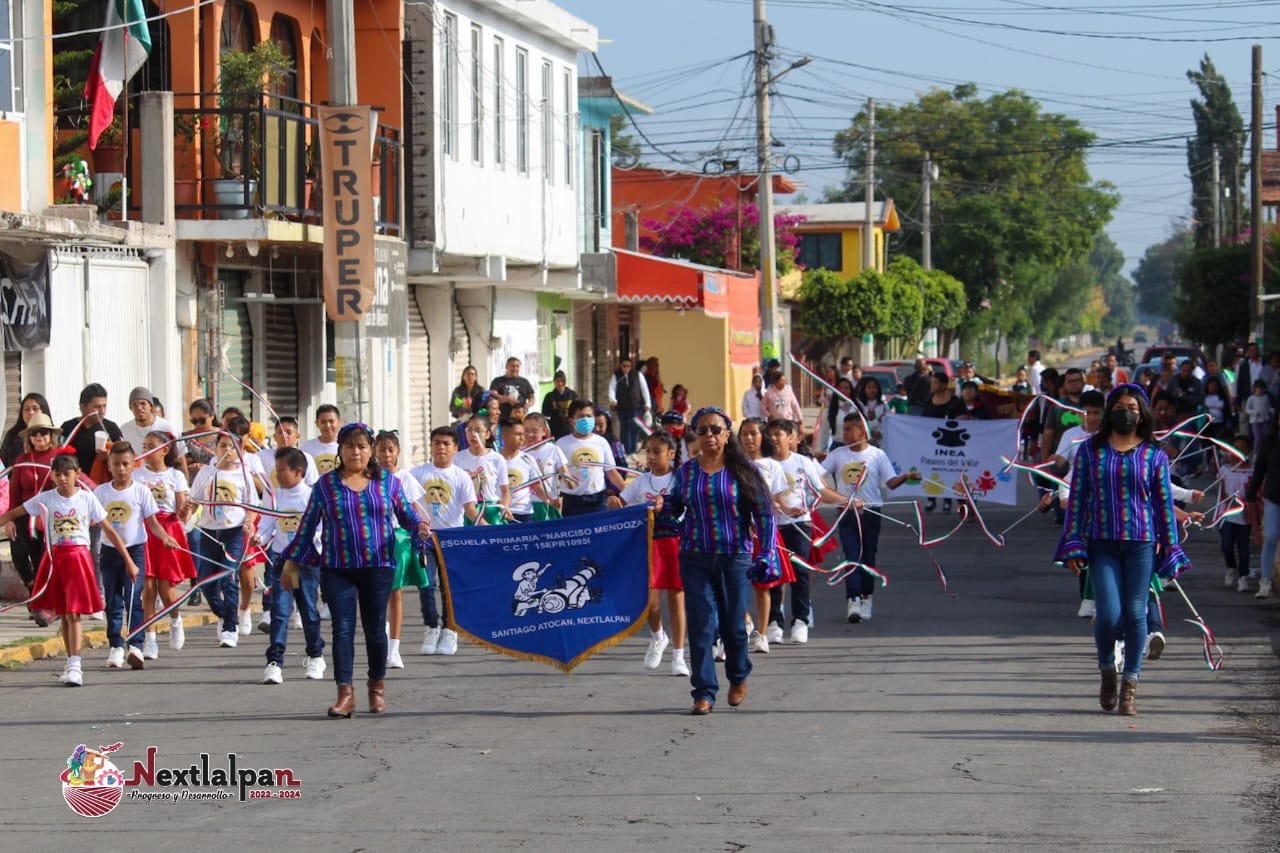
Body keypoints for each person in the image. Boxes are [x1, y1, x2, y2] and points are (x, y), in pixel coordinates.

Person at [1057, 385, 1189, 716]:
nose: (1125, 411)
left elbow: (1163, 505)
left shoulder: (1154, 455)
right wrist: (1073, 543)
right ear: (1107, 412)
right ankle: (1106, 670)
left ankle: (1130, 685)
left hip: (1141, 544)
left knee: (1135, 612)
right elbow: (1078, 501)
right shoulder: (1089, 452)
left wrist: (1171, 548)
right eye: (1119, 406)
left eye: (1132, 406)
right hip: (1101, 544)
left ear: (1142, 413)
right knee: (1109, 614)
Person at [283, 422, 431, 717]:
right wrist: (291, 563)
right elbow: (307, 525)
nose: (356, 451)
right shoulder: (326, 486)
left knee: (376, 630)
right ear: (339, 450)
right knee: (343, 630)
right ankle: (345, 693)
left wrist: (421, 528)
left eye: (362, 446)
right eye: (349, 446)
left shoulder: (387, 482)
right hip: (337, 568)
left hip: (379, 567)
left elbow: (407, 514)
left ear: (371, 449)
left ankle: (376, 687)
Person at [657, 407, 779, 715]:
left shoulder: (745, 471)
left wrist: (765, 552)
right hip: (694, 556)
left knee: (734, 625)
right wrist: (664, 511)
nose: (708, 435)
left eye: (715, 429)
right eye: (702, 430)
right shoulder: (686, 472)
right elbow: (673, 505)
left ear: (727, 435)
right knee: (701, 625)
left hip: (734, 556)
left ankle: (738, 676)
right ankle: (704, 692)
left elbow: (765, 514)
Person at [0, 451, 139, 686]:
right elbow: (15, 512)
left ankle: (76, 665)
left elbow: (109, 531)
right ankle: (70, 661)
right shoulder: (46, 498)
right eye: (58, 474)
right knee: (64, 614)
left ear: (77, 474)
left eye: (68, 474)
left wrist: (129, 560)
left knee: (74, 613)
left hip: (78, 559)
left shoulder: (86, 499)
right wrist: (7, 520)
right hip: (55, 560)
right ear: (52, 475)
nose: (63, 479)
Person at [609, 431, 687, 676]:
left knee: (676, 597)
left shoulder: (680, 480)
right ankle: (658, 636)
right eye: (648, 451)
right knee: (650, 600)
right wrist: (614, 501)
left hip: (674, 542)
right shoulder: (642, 481)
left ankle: (678, 656)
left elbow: (688, 508)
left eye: (657, 451)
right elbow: (623, 503)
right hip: (648, 544)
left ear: (671, 454)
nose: (651, 456)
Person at [95, 441, 178, 669]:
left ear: (134, 465)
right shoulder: (100, 492)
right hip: (109, 553)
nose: (121, 469)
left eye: (125, 464)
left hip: (136, 550)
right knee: (112, 599)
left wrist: (165, 538)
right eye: (116, 464)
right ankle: (116, 646)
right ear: (109, 466)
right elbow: (90, 522)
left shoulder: (141, 490)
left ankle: (136, 645)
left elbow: (152, 522)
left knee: (134, 597)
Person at [766, 417, 846, 644]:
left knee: (800, 572)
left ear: (790, 438)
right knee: (773, 573)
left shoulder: (803, 462)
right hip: (772, 526)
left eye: (778, 435)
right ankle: (774, 621)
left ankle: (800, 620)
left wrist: (847, 500)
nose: (773, 439)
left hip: (800, 524)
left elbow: (822, 491)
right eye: (770, 435)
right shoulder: (764, 464)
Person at [822, 413, 908, 623]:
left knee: (868, 557)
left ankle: (867, 597)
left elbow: (890, 483)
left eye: (850, 428)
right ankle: (853, 600)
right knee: (852, 557)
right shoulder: (838, 454)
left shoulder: (877, 455)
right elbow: (817, 476)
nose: (846, 433)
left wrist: (905, 477)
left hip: (871, 513)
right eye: (844, 429)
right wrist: (837, 497)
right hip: (847, 513)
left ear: (863, 431)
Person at [256, 446, 327, 685]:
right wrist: (259, 537)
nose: (278, 474)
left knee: (308, 609)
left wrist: (306, 547)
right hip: (281, 562)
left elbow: (320, 529)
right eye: (276, 470)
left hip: (306, 563)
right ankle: (274, 662)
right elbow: (267, 523)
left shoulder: (312, 496)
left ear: (298, 472)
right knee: (280, 611)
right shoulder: (274, 496)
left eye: (282, 470)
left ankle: (315, 654)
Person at [184, 432, 260, 648]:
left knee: (228, 576)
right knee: (205, 581)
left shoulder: (244, 475)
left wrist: (249, 522)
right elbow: (195, 501)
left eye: (232, 446)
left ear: (240, 451)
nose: (228, 450)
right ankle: (224, 613)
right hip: (209, 533)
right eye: (223, 445)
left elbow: (252, 507)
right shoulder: (206, 473)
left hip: (234, 533)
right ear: (215, 449)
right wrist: (189, 509)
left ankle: (230, 628)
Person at [409, 427, 481, 656]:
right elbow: (411, 505)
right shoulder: (417, 474)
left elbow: (470, 509)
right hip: (425, 539)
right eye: (437, 443)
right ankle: (431, 627)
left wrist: (486, 527)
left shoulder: (461, 476)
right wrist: (419, 524)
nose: (441, 447)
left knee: (448, 588)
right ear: (431, 446)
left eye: (446, 443)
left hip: (453, 540)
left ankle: (450, 630)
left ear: (455, 448)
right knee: (426, 584)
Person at [372, 431, 430, 670]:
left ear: (397, 452)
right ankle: (382, 629)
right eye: (381, 449)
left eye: (390, 450)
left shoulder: (405, 478)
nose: (386, 455)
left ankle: (394, 648)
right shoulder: (370, 478)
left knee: (395, 592)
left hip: (400, 540)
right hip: (375, 540)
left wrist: (423, 527)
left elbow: (415, 509)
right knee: (376, 594)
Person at [134, 431, 196, 653]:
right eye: (144, 446)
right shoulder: (137, 475)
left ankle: (175, 620)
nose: (146, 451)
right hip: (145, 532)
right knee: (147, 589)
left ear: (164, 450)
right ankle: (150, 639)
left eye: (151, 446)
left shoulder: (176, 476)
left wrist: (186, 510)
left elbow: (182, 515)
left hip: (168, 531)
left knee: (166, 589)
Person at [737, 417, 791, 653]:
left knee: (763, 584)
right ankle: (746, 620)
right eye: (744, 434)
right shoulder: (733, 464)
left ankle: (762, 633)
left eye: (754, 434)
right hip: (738, 530)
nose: (749, 438)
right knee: (735, 581)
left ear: (762, 437)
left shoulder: (773, 466)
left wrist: (787, 509)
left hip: (764, 531)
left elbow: (777, 499)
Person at [8, 413, 60, 620]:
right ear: (29, 437)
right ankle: (38, 598)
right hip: (25, 518)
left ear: (51, 435)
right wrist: (10, 519)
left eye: (44, 433)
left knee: (47, 560)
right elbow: (14, 493)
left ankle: (50, 604)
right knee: (26, 557)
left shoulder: (58, 457)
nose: (39, 437)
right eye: (35, 433)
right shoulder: (22, 460)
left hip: (51, 518)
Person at [556, 400, 623, 516]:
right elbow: (555, 474)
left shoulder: (602, 442)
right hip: (571, 501)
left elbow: (611, 472)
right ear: (572, 421)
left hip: (597, 500)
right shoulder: (561, 444)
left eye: (589, 416)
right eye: (581, 416)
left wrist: (628, 491)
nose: (586, 419)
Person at [59, 383, 124, 484]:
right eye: (97, 407)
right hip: (75, 485)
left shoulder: (111, 428)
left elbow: (125, 456)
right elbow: (59, 457)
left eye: (104, 406)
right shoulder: (69, 428)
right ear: (83, 407)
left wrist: (109, 456)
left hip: (104, 485)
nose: (102, 411)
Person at [455, 417, 513, 524]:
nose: (473, 434)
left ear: (487, 434)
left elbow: (505, 491)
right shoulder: (457, 459)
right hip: (467, 510)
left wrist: (505, 506)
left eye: (478, 430)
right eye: (469, 430)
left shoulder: (497, 459)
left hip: (491, 510)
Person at [120, 387, 186, 476]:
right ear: (130, 408)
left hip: (163, 481)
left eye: (143, 403)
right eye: (134, 405)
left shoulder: (167, 427)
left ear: (151, 406)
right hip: (136, 481)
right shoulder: (124, 429)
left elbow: (180, 460)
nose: (139, 408)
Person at [1220, 434, 1254, 594]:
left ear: (1249, 451)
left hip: (1245, 514)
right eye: (1235, 449)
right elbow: (1221, 492)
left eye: (1243, 449)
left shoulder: (1252, 471)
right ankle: (1231, 567)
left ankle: (1243, 577)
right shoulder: (1225, 470)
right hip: (1228, 513)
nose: (1238, 452)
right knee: (1226, 544)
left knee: (1243, 547)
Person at [521, 413, 568, 520]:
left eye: (534, 431)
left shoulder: (553, 449)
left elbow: (565, 473)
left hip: (549, 504)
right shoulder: (520, 453)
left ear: (544, 431)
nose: (530, 435)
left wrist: (568, 483)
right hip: (527, 505)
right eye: (526, 431)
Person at [500, 419, 545, 523]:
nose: (522, 438)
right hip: (502, 513)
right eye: (517, 434)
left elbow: (536, 485)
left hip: (524, 513)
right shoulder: (494, 459)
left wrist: (549, 500)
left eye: (523, 434)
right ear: (504, 435)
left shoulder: (528, 459)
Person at [258, 416, 321, 487]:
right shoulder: (262, 456)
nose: (284, 435)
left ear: (297, 436)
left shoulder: (306, 458)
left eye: (288, 432)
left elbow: (312, 485)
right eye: (280, 432)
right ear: (275, 436)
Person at [608, 357, 653, 453]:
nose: (626, 368)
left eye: (628, 366)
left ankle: (633, 450)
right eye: (624, 366)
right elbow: (612, 388)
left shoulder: (638, 375)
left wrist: (648, 403)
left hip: (635, 407)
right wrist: (613, 399)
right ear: (620, 366)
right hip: (622, 407)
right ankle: (626, 450)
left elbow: (644, 390)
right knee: (624, 429)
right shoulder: (616, 376)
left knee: (634, 428)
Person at [0, 392, 50, 467]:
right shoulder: (12, 435)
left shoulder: (55, 436)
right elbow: (3, 464)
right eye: (26, 409)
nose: (31, 412)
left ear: (44, 410)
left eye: (35, 408)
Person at [302, 404, 342, 474]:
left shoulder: (346, 446)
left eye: (331, 421)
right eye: (323, 422)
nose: (327, 425)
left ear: (339, 422)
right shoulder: (307, 447)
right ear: (317, 423)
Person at [183, 398, 217, 475]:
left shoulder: (223, 436)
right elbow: (180, 463)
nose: (198, 424)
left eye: (202, 420)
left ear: (212, 416)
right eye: (194, 421)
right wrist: (189, 466)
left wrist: (206, 468)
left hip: (215, 480)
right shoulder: (186, 438)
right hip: (193, 483)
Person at [540, 370, 578, 439]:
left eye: (562, 381)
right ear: (554, 382)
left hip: (570, 429)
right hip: (555, 430)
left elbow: (577, 410)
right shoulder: (549, 396)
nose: (560, 383)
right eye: (558, 381)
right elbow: (545, 415)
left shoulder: (572, 395)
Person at [825, 378, 857, 450]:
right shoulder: (830, 410)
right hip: (837, 447)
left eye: (847, 388)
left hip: (855, 447)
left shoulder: (857, 408)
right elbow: (824, 433)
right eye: (840, 388)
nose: (843, 390)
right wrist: (821, 450)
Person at [856, 376, 889, 445]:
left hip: (880, 442)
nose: (872, 390)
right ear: (864, 389)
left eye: (875, 387)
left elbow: (887, 424)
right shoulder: (859, 405)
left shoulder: (884, 406)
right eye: (869, 387)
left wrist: (881, 432)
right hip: (863, 441)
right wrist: (871, 432)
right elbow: (858, 423)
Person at [1246, 380, 1273, 453]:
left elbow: (1268, 408)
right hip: (1255, 421)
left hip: (1265, 420)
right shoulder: (1251, 398)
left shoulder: (1265, 397)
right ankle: (1255, 453)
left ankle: (1266, 451)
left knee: (1266, 437)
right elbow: (1247, 409)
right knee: (1257, 438)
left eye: (1262, 389)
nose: (1260, 390)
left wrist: (1274, 411)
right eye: (1258, 388)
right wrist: (1255, 413)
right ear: (1255, 388)